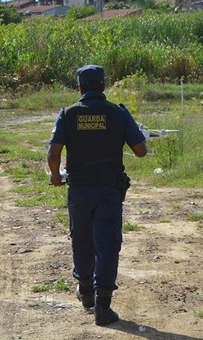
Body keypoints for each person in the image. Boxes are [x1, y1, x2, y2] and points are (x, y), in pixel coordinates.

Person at [47, 65, 147, 326]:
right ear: (103, 86)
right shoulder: (118, 113)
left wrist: (56, 177)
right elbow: (140, 151)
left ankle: (86, 294)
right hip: (108, 192)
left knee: (81, 240)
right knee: (107, 245)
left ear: (79, 88)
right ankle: (103, 306)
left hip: (79, 191)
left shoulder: (67, 114)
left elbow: (53, 153)